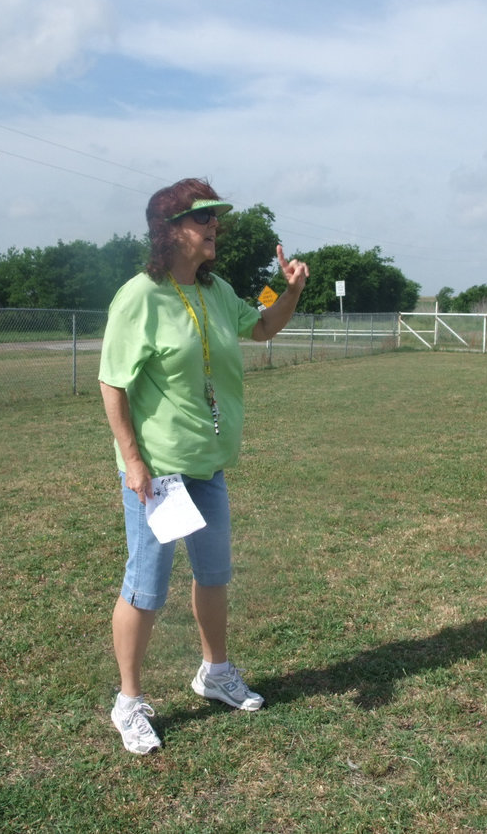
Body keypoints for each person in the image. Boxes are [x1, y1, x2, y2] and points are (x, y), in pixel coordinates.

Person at [97, 178, 309, 754]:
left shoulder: (218, 291)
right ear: (170, 231)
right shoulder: (140, 295)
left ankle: (214, 671)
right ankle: (129, 700)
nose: (214, 226)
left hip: (207, 466)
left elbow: (261, 324)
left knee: (214, 575)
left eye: (215, 217)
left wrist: (286, 290)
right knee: (147, 587)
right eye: (202, 218)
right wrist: (134, 464)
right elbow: (112, 384)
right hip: (158, 474)